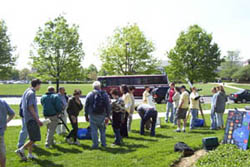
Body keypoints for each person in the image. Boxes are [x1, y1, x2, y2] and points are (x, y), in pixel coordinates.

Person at [16, 79, 43, 161]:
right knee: (35, 138)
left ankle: (30, 154)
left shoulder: (27, 91)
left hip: (27, 118)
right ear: (37, 85)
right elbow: (30, 107)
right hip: (31, 119)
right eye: (40, 85)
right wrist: (37, 119)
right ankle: (21, 149)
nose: (40, 87)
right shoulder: (31, 93)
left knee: (31, 137)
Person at [85, 81, 110, 149]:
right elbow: (108, 105)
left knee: (94, 131)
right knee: (102, 130)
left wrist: (86, 115)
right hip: (102, 115)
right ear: (100, 87)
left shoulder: (90, 94)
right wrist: (108, 115)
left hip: (92, 115)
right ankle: (103, 143)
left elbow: (86, 106)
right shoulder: (104, 94)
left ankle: (95, 144)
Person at [0, 99, 15, 167]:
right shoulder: (3, 102)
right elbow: (12, 113)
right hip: (1, 132)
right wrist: (5, 122)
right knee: (2, 153)